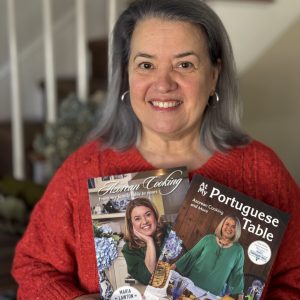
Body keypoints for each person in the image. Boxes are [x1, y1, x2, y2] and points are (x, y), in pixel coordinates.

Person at [12, 0, 300, 299]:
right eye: (146, 65)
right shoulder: (84, 168)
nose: (163, 84)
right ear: (126, 74)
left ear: (214, 75)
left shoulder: (261, 170)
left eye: (184, 64)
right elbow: (33, 267)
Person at [173, 216, 244, 299]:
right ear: (222, 225)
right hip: (191, 287)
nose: (229, 228)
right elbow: (191, 255)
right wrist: (172, 267)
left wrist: (241, 296)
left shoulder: (238, 250)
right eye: (227, 224)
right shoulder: (208, 239)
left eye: (233, 226)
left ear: (237, 230)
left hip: (212, 295)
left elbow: (237, 274)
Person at [122, 198, 169, 285]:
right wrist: (149, 242)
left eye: (148, 215)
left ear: (154, 215)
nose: (144, 221)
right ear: (131, 223)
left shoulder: (169, 231)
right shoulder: (129, 249)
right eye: (137, 219)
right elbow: (149, 278)